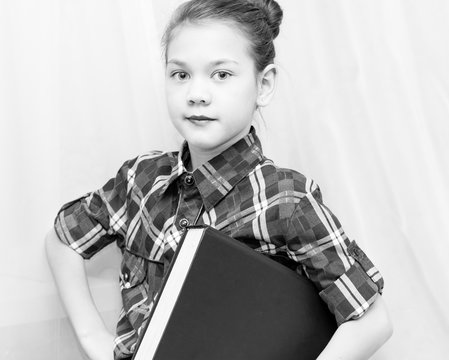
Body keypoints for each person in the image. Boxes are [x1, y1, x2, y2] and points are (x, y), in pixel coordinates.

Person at [45, 0, 393, 359]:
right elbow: (63, 239)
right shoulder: (140, 179)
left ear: (264, 84)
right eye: (180, 74)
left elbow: (371, 320)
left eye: (221, 74)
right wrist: (93, 340)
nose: (197, 94)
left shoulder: (287, 200)